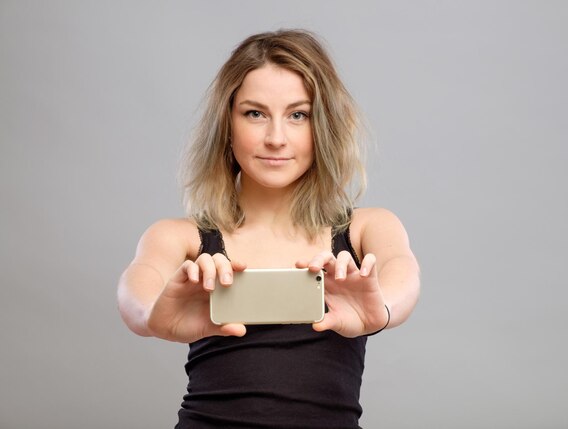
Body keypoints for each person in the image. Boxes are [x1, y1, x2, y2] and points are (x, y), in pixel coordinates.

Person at [117, 29, 420, 429]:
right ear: (227, 123)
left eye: (298, 115)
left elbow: (403, 275)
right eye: (255, 113)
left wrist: (378, 310)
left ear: (323, 125)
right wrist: (155, 317)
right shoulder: (180, 237)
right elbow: (137, 290)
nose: (276, 138)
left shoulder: (368, 228)